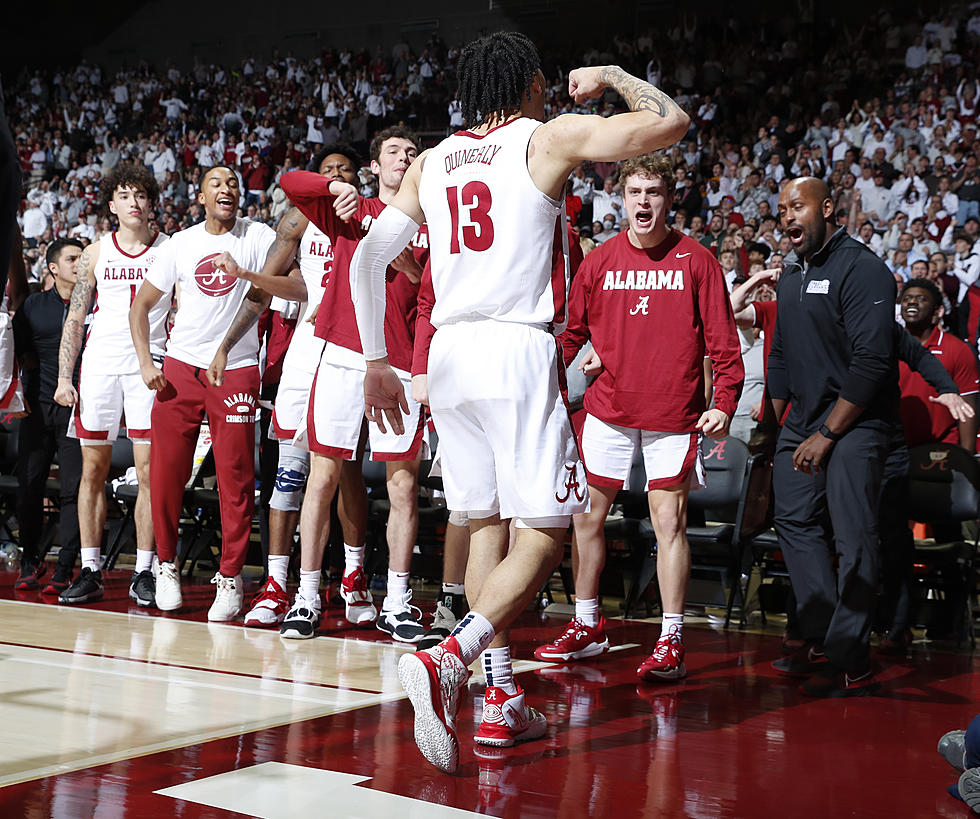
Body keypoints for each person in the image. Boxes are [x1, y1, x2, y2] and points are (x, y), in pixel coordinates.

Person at [350, 33, 689, 772]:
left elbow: (371, 255)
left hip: (448, 357)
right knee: (545, 533)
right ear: (532, 83)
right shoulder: (545, 136)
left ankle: (500, 700)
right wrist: (614, 75)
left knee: (483, 524)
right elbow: (670, 123)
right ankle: (452, 656)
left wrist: (377, 358)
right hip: (515, 347)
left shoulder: (435, 160)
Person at [532, 153, 743, 681]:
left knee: (669, 525)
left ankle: (671, 638)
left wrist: (723, 403)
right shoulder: (599, 260)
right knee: (585, 518)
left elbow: (723, 344)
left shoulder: (697, 261)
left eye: (653, 192)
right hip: (608, 410)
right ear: (620, 199)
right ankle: (586, 626)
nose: (643, 202)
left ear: (668, 200)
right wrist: (542, 371)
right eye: (635, 193)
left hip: (674, 414)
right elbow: (572, 332)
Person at [267, 127, 429, 641]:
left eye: (412, 153)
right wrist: (338, 188)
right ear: (376, 168)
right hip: (339, 353)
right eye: (394, 153)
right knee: (323, 475)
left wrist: (413, 272)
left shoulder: (437, 226)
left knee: (402, 484)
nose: (405, 158)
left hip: (400, 362)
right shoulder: (349, 211)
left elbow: (438, 301)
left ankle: (398, 602)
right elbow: (291, 182)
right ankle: (308, 596)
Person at [209, 144, 370, 629]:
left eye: (344, 169)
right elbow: (274, 287)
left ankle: (355, 575)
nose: (336, 176)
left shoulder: (376, 217)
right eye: (328, 171)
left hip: (357, 347)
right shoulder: (301, 221)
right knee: (290, 469)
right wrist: (226, 343)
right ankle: (279, 583)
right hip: (306, 349)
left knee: (345, 471)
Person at [767, 176, 899, 697]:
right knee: (792, 519)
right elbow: (779, 353)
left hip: (858, 423)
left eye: (796, 207)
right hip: (803, 421)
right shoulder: (792, 273)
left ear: (827, 208)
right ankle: (821, 624)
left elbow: (872, 362)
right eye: (781, 209)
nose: (786, 217)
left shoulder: (863, 269)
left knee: (854, 535)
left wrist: (827, 432)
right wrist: (775, 425)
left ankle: (849, 650)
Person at [129, 165, 276, 620]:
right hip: (179, 369)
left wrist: (248, 272)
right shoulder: (180, 243)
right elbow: (140, 307)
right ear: (200, 196)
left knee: (235, 477)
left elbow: (268, 294)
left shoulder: (260, 237)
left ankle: (229, 577)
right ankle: (166, 566)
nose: (227, 189)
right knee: (166, 472)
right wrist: (146, 362)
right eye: (217, 183)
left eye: (233, 183)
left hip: (235, 370)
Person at [53, 164, 169, 606]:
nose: (134, 202)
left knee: (149, 473)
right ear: (112, 204)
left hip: (149, 366)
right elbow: (76, 318)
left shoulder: (169, 250)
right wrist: (65, 377)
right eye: (125, 194)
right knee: (93, 471)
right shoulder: (96, 253)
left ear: (151, 201)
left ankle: (144, 570)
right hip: (99, 365)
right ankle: (91, 568)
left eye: (141, 194)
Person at [11, 239, 83, 592]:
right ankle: (29, 559)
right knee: (30, 486)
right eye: (72, 258)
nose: (79, 263)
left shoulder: (98, 305)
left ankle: (66, 565)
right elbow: (21, 355)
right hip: (38, 410)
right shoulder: (33, 307)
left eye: (83, 257)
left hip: (79, 410)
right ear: (53, 267)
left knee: (72, 491)